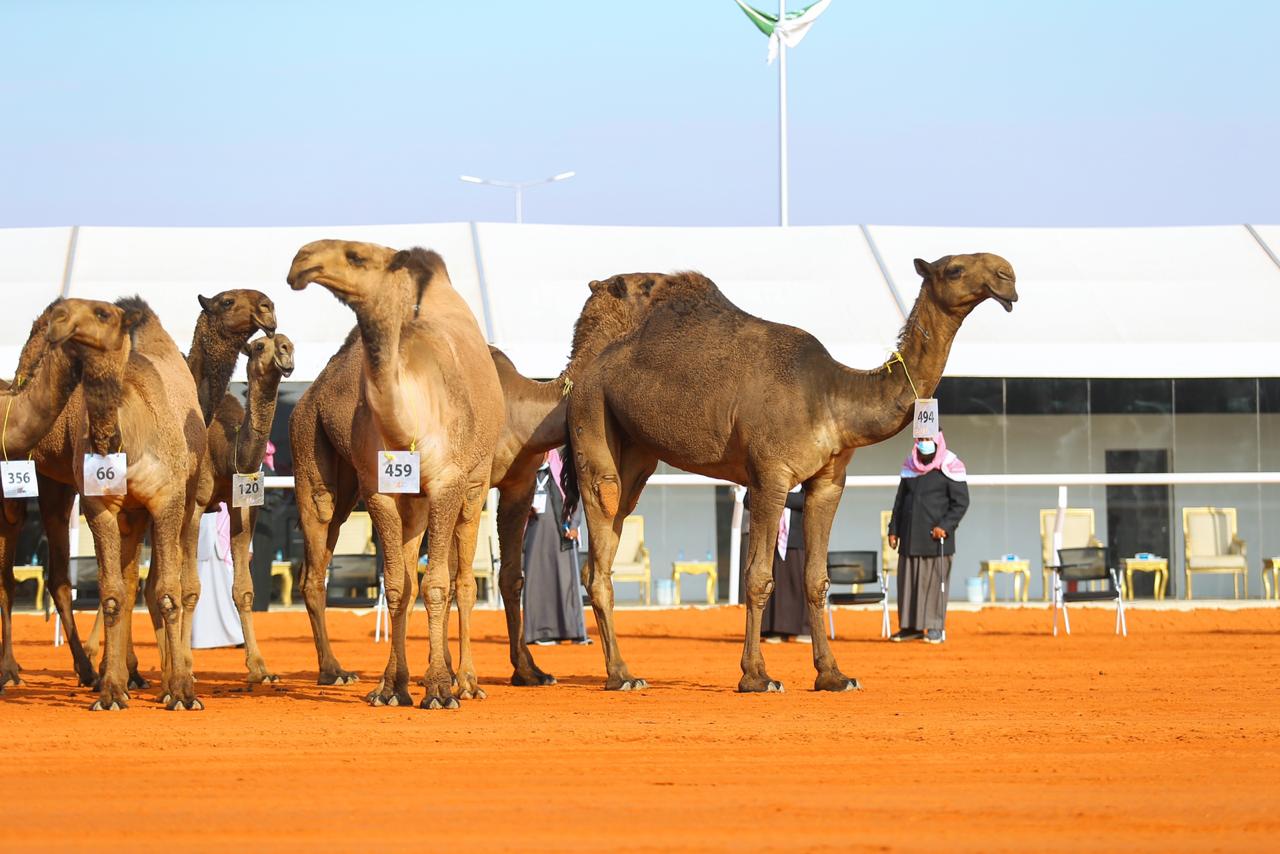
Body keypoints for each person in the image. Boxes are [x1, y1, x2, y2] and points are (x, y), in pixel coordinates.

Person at [888, 431, 969, 644]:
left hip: (936, 540)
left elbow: (961, 502)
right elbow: (899, 502)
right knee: (908, 586)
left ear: (937, 441)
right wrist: (893, 529)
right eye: (921, 440)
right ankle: (910, 627)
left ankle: (934, 627)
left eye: (928, 440)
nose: (924, 444)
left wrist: (945, 525)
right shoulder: (910, 466)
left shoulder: (950, 465)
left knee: (934, 585)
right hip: (910, 538)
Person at [522, 450, 589, 646]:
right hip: (535, 536)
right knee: (539, 583)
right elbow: (513, 498)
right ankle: (540, 633)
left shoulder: (562, 471)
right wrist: (526, 507)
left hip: (563, 536)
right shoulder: (525, 471)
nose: (542, 454)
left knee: (566, 582)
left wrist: (575, 526)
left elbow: (575, 499)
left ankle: (573, 631)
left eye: (545, 451)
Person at [740, 486, 811, 643]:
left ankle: (803, 629)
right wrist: (778, 495)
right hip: (768, 539)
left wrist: (774, 496)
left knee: (798, 583)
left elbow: (807, 500)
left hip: (796, 538)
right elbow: (748, 500)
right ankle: (773, 630)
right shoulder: (766, 473)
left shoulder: (805, 476)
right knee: (770, 585)